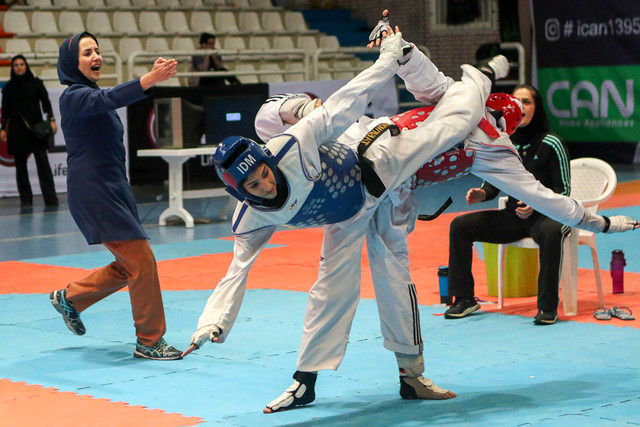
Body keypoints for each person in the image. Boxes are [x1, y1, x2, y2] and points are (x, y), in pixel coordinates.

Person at [187, 17, 638, 412]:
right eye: (501, 110)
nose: (502, 121)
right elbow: (411, 77)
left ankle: (408, 375)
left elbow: (546, 199)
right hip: (369, 156)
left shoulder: (494, 147)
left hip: (391, 182)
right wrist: (397, 49)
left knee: (393, 276)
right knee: (332, 285)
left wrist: (602, 222)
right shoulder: (457, 102)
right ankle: (310, 381)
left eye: (507, 119)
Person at [49, 31, 182, 360]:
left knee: (129, 265)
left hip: (113, 188)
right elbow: (108, 99)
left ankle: (71, 298)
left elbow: (108, 100)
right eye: (86, 52)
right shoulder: (73, 96)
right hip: (94, 191)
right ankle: (149, 341)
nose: (96, 56)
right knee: (143, 261)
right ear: (71, 63)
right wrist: (148, 79)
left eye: (97, 50)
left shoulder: (90, 95)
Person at [444, 85, 572, 325]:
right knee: (460, 225)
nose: (520, 107)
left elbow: (564, 191)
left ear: (537, 108)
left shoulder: (552, 143)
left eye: (527, 102)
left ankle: (547, 308)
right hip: (514, 217)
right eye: (516, 102)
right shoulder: (503, 141)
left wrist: (536, 204)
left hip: (547, 217)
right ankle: (464, 299)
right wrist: (481, 193)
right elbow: (493, 183)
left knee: (553, 232)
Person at [0, 55, 58, 206]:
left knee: (43, 164)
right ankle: (26, 200)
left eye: (21, 64)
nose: (19, 67)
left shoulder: (37, 84)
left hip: (37, 130)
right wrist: (2, 129)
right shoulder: (8, 88)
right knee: (20, 167)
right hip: (17, 131)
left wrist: (51, 120)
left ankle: (50, 198)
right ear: (13, 68)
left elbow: (46, 104)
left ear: (26, 66)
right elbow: (5, 112)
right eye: (16, 65)